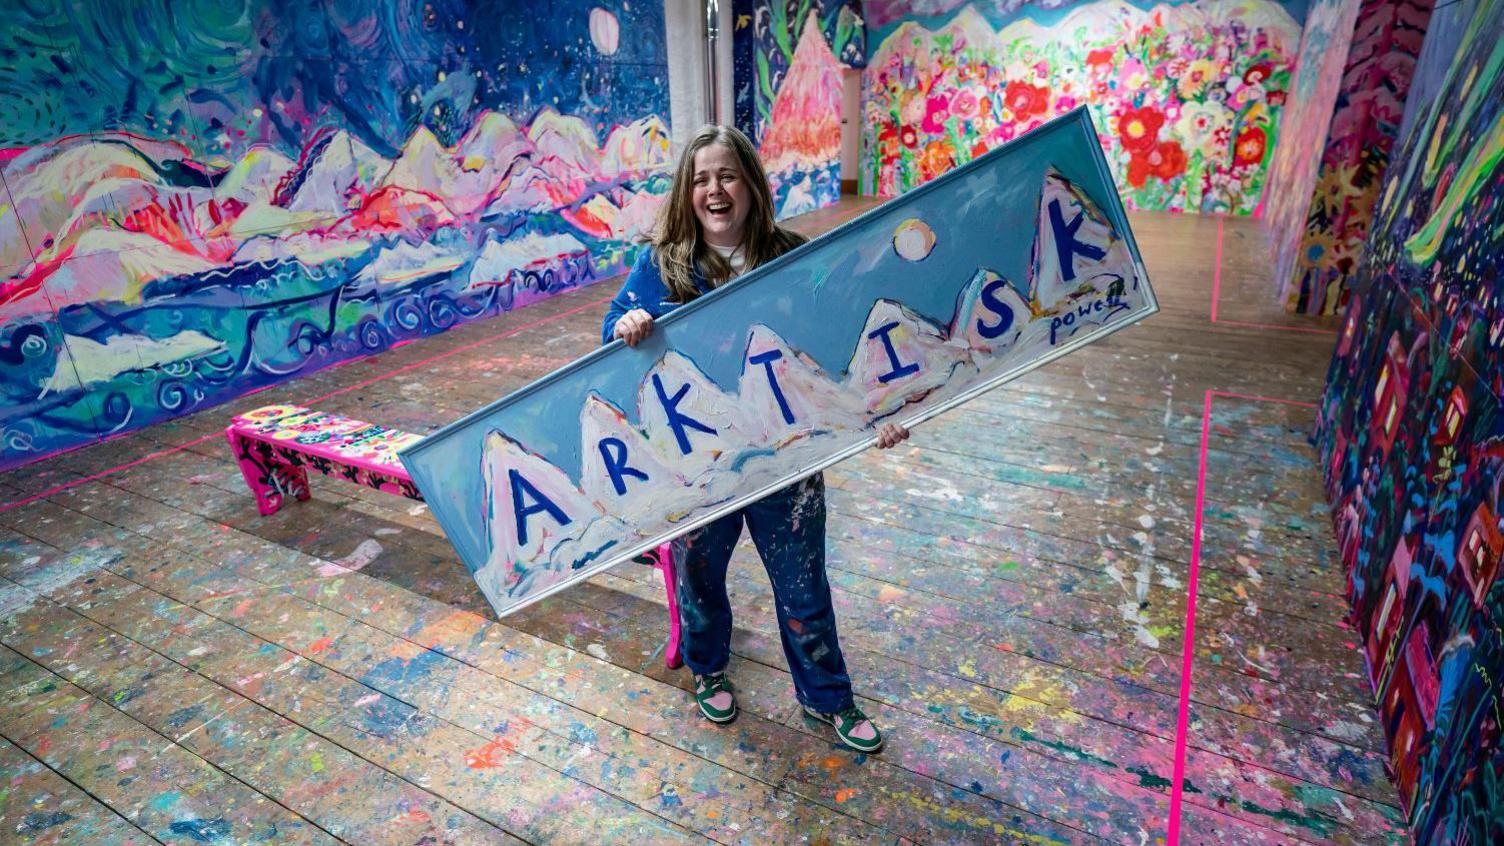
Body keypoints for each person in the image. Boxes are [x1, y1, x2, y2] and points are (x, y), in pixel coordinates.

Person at [601, 125, 908, 754]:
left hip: (785, 458)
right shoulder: (662, 265)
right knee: (701, 573)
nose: (714, 189)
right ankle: (708, 664)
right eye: (701, 178)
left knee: (803, 585)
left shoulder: (789, 255)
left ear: (751, 185)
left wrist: (878, 413)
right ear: (687, 192)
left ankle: (828, 698)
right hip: (700, 467)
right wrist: (626, 324)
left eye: (727, 175)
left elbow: (836, 344)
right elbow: (611, 338)